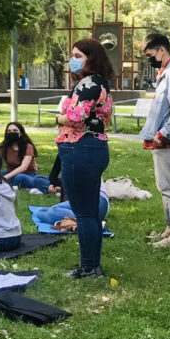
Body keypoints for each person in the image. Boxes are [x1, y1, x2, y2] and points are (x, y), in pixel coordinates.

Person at [54, 38, 114, 278]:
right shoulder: (99, 83)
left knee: (85, 213)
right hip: (92, 149)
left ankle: (89, 267)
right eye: (72, 55)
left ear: (92, 58)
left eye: (78, 55)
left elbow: (76, 117)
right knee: (89, 212)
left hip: (80, 148)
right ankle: (93, 265)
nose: (73, 59)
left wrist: (59, 118)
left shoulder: (88, 84)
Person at [140, 32, 170, 248]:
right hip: (161, 140)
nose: (149, 59)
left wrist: (163, 133)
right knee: (163, 186)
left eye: (151, 54)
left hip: (166, 141)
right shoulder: (166, 72)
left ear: (162, 50)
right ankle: (169, 230)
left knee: (169, 187)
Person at [0, 121, 50, 194]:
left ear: (21, 133)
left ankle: (47, 188)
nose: (12, 133)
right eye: (9, 131)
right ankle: (15, 185)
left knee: (20, 177)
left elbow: (23, 167)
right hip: (11, 173)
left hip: (27, 174)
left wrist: (5, 178)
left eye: (15, 130)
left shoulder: (28, 146)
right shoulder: (4, 147)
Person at [33, 182, 110, 229]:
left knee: (45, 213)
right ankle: (89, 221)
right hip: (91, 201)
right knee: (49, 210)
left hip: (95, 201)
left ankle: (90, 222)